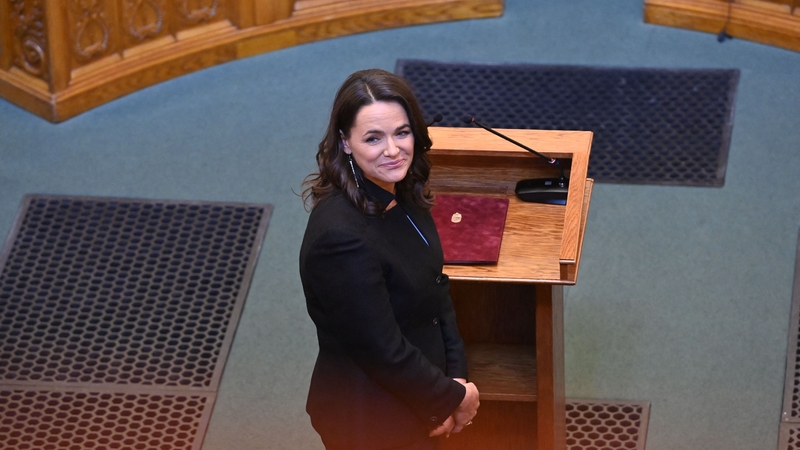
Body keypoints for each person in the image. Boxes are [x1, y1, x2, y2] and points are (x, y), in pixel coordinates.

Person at [299, 68, 479, 450]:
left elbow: (436, 288)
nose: (394, 150)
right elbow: (381, 349)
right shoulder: (340, 238)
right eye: (373, 138)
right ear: (345, 142)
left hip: (420, 390)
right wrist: (448, 400)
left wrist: (457, 376)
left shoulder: (402, 190)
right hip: (371, 420)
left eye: (402, 132)